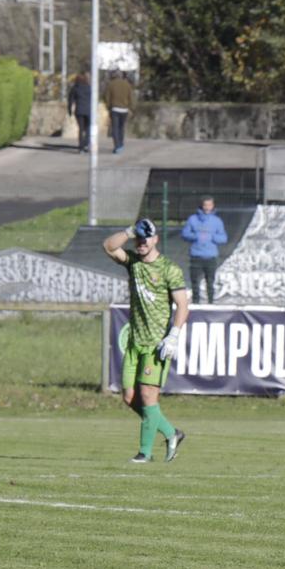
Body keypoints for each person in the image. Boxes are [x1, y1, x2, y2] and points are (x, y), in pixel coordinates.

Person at [105, 217, 189, 463]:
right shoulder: (133, 263)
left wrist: (173, 335)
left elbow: (183, 305)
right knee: (130, 398)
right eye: (139, 239)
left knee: (148, 396)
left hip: (156, 344)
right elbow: (109, 246)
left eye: (146, 239)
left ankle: (145, 453)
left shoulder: (169, 269)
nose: (141, 243)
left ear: (156, 240)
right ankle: (172, 433)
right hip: (135, 342)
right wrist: (130, 231)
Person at [180, 197, 228, 305]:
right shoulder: (192, 219)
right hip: (196, 256)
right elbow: (184, 234)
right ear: (201, 205)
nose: (207, 208)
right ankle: (196, 303)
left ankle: (210, 303)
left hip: (211, 257)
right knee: (195, 282)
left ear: (213, 206)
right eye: (205, 205)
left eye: (209, 205)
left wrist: (211, 237)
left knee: (210, 282)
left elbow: (223, 238)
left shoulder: (217, 221)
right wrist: (196, 236)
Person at [103, 70, 135, 154]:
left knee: (115, 128)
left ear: (114, 76)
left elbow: (107, 97)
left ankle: (117, 146)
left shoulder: (111, 84)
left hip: (114, 109)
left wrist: (108, 107)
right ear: (121, 76)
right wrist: (131, 108)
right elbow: (131, 97)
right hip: (124, 109)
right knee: (121, 127)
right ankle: (121, 144)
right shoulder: (127, 84)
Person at [67, 71, 92, 152]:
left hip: (79, 111)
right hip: (88, 111)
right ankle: (86, 143)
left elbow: (70, 101)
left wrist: (69, 111)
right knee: (88, 128)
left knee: (81, 129)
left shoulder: (75, 88)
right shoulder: (89, 88)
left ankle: (81, 146)